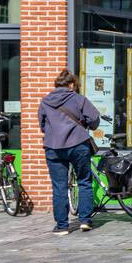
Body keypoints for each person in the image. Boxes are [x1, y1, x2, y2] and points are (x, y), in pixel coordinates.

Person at [39, 70, 101, 236]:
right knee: (84, 181)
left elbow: (42, 125)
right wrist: (86, 125)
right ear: (71, 84)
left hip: (53, 147)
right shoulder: (79, 99)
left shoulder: (45, 101)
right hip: (78, 144)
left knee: (59, 185)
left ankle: (62, 226)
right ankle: (85, 220)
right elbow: (94, 119)